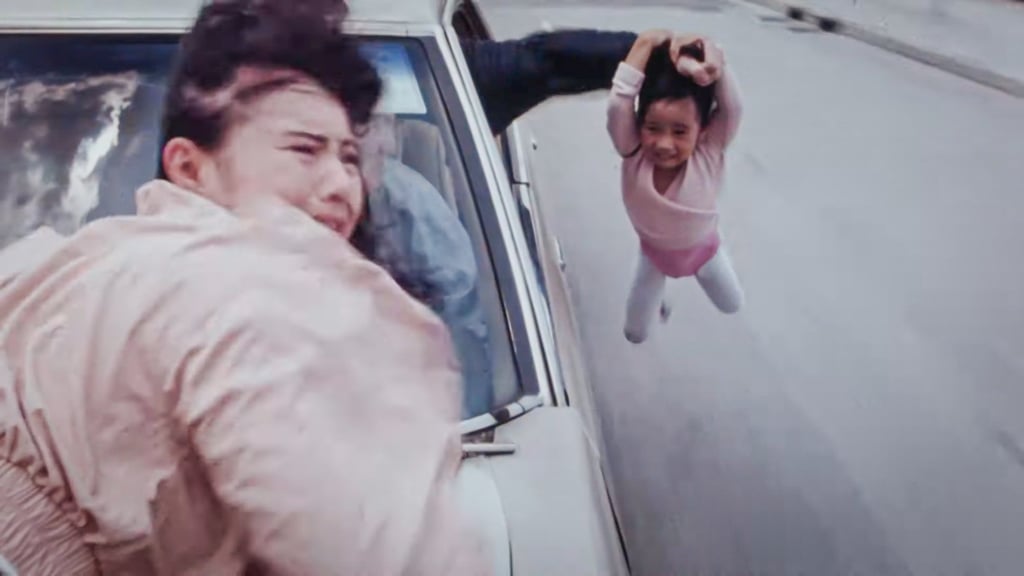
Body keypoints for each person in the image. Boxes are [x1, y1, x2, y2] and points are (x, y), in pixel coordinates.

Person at [0, 0, 488, 574]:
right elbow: (366, 549)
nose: (341, 184)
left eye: (350, 157)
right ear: (190, 167)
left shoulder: (83, 261)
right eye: (303, 149)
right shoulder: (249, 289)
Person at [607, 30, 745, 344]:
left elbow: (732, 108)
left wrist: (713, 54)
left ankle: (710, 252)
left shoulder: (708, 152)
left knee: (732, 304)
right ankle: (661, 301)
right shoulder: (633, 152)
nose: (664, 143)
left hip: (706, 253)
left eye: (680, 131)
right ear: (639, 124)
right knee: (635, 333)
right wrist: (645, 45)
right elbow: (619, 104)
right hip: (653, 258)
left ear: (703, 129)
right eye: (653, 128)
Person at [361, 113, 493, 418]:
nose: (390, 144)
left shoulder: (410, 205)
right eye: (370, 123)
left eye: (387, 123)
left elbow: (465, 335)